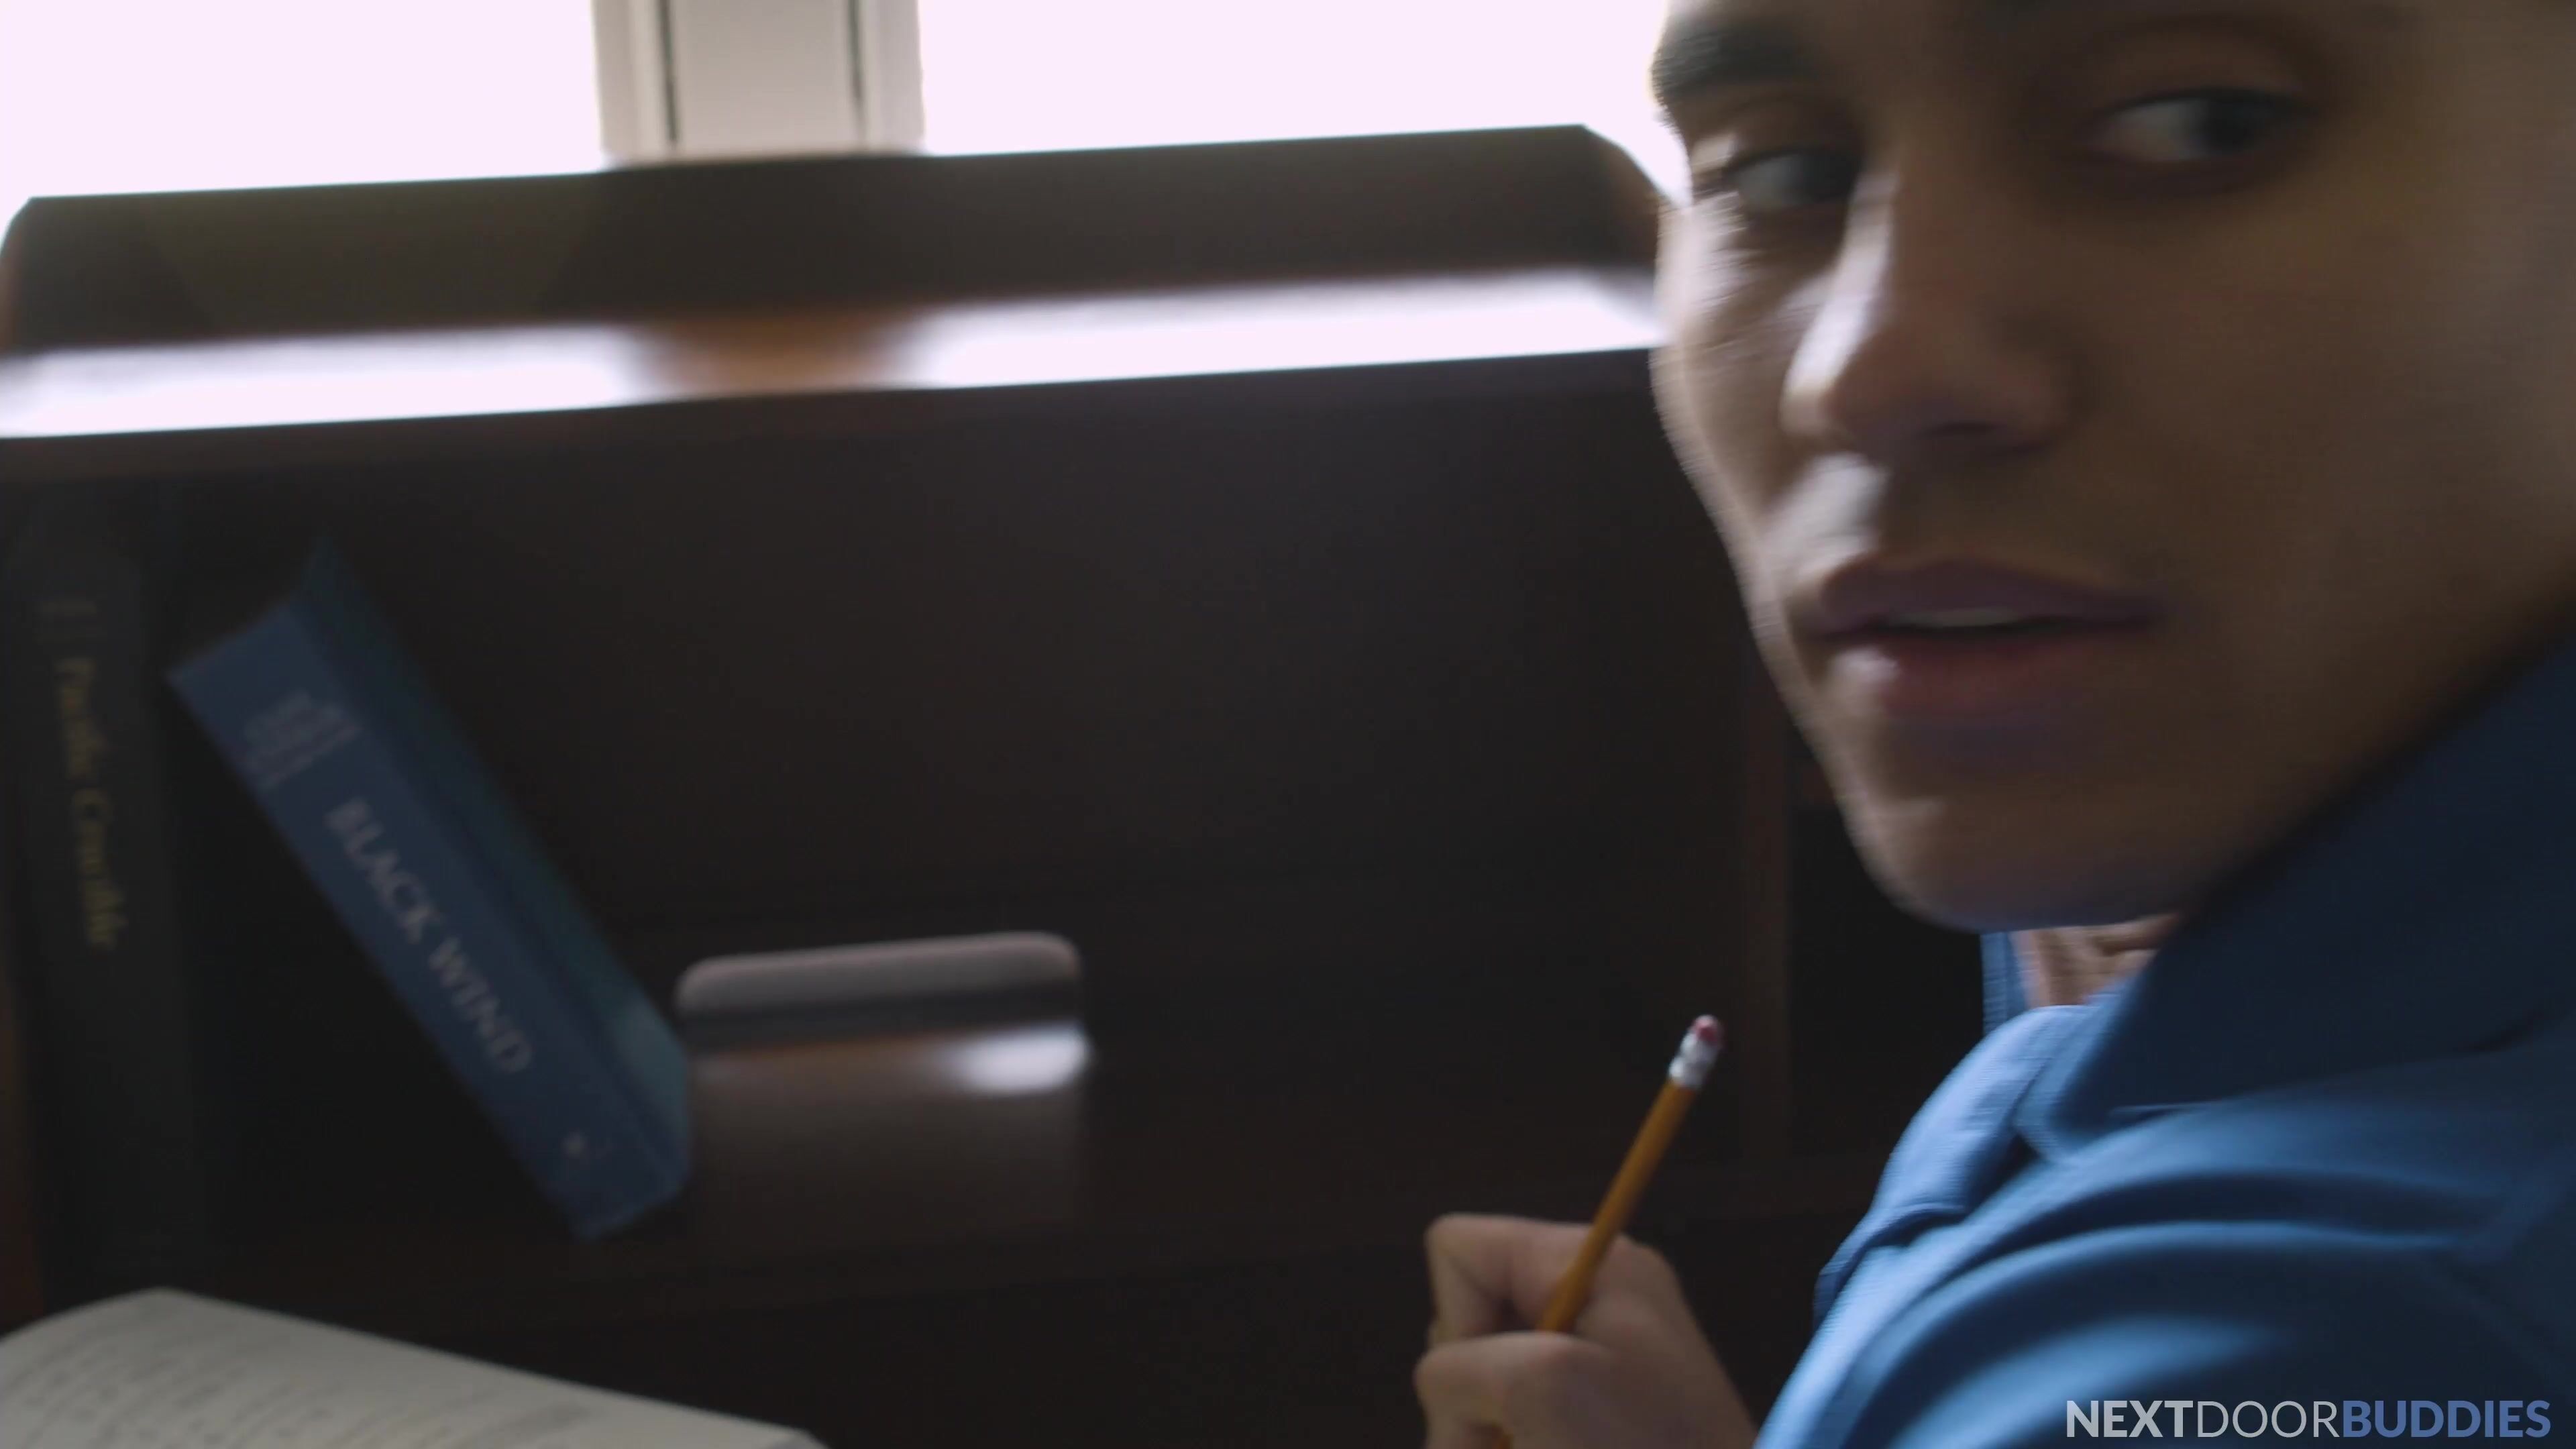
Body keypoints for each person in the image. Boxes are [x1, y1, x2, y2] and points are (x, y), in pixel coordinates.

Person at [1413, 0, 2576, 1444]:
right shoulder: (2177, 783)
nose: (1867, 370)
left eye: (2200, 125)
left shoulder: (2309, 1351)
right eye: (1785, 172)